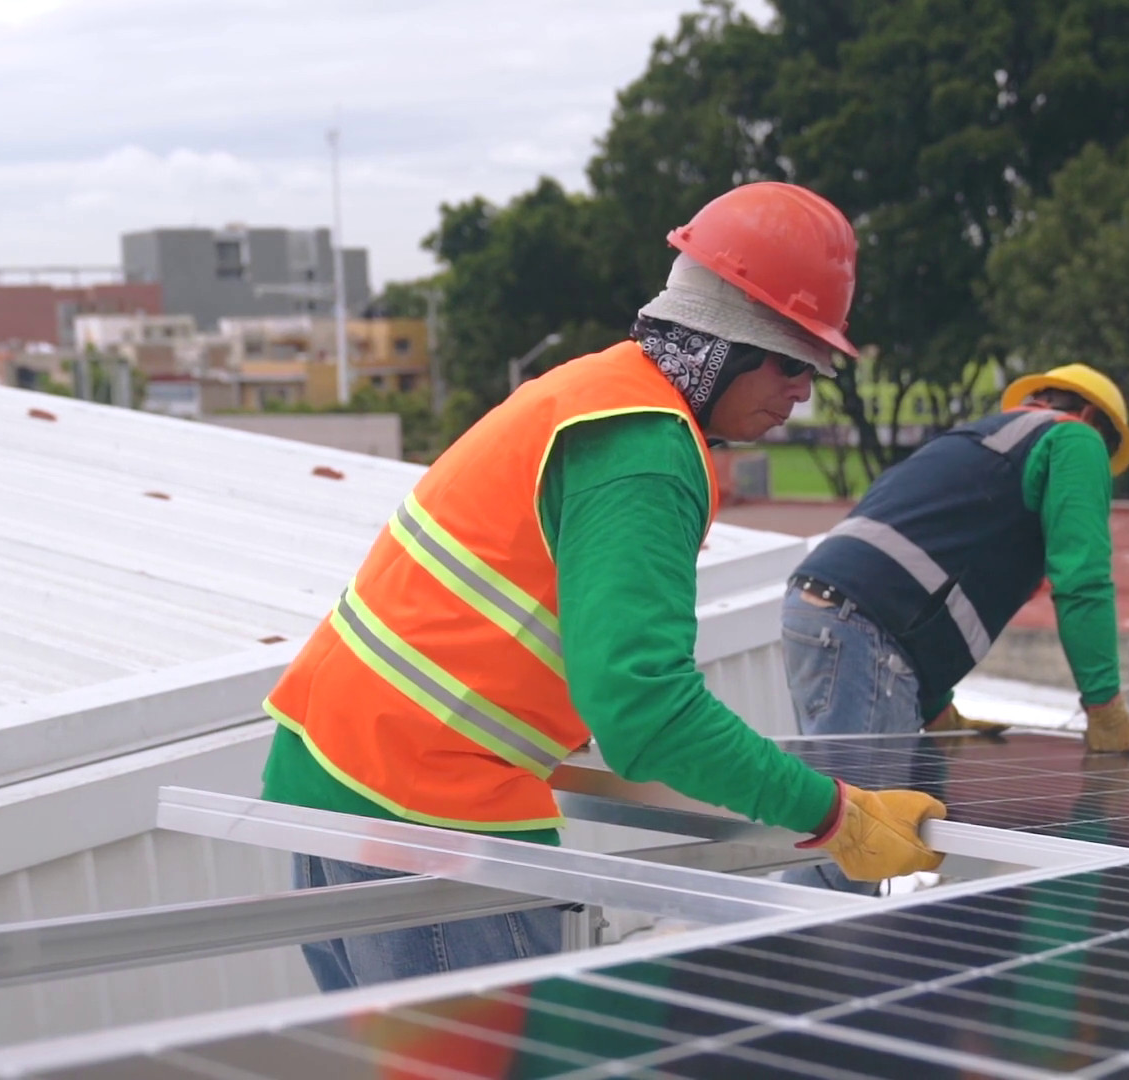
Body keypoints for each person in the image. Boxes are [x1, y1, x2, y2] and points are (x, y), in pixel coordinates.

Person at [258, 182, 948, 991]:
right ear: (729, 339)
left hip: (323, 776)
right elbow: (645, 710)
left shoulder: (591, 389)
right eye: (794, 362)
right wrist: (837, 815)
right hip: (426, 813)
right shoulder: (646, 452)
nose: (803, 391)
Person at [779, 364, 1129, 892]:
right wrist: (1105, 705)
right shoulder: (1076, 438)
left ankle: (785, 956)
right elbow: (1083, 580)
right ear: (1090, 417)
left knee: (841, 828)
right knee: (855, 847)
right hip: (865, 631)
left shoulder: (979, 439)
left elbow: (925, 555)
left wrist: (934, 708)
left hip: (818, 613)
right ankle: (786, 963)